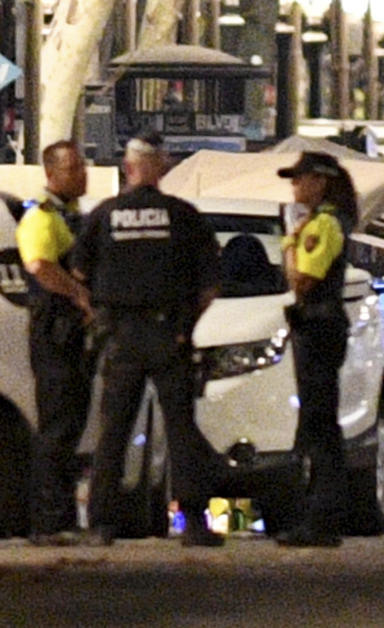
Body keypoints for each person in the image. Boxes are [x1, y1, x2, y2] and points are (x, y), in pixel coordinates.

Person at [72, 133, 224, 547]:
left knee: (114, 432)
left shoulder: (104, 215)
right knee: (181, 431)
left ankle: (102, 524)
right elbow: (210, 284)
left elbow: (80, 276)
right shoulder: (183, 216)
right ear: (161, 166)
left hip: (121, 336)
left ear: (127, 167)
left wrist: (100, 319)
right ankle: (193, 522)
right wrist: (185, 325)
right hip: (168, 334)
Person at [275, 152, 358, 547]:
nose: (295, 186)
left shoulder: (322, 224)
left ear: (320, 182)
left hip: (318, 326)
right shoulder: (326, 221)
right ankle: (321, 515)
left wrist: (291, 241)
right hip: (322, 326)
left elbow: (302, 280)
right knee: (318, 423)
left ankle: (323, 518)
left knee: (319, 424)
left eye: (300, 179)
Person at [15, 140, 94, 545]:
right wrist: (79, 296)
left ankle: (62, 516)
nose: (83, 174)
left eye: (83, 166)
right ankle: (47, 521)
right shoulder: (41, 216)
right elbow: (40, 266)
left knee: (70, 425)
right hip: (54, 333)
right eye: (74, 168)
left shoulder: (72, 215)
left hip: (72, 334)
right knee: (57, 428)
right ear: (52, 173)